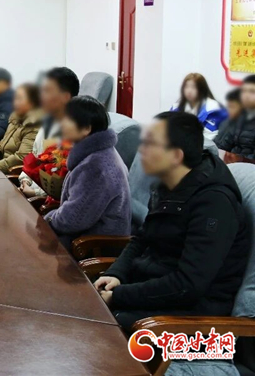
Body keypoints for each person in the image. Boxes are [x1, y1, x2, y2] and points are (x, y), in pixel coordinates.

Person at [95, 112, 251, 331]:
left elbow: (187, 286)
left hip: (191, 318)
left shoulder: (214, 204)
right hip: (155, 293)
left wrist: (119, 296)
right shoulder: (170, 183)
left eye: (150, 144)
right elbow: (142, 238)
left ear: (176, 156)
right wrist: (116, 274)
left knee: (96, 324)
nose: (142, 150)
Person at [43, 96, 131, 248]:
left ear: (86, 128)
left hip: (93, 246)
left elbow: (72, 220)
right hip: (83, 235)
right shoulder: (99, 153)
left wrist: (48, 220)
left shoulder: (96, 166)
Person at [20, 67, 79, 198]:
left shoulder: (77, 130)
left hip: (49, 201)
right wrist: (25, 180)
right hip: (31, 191)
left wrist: (35, 193)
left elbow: (67, 184)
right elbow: (35, 157)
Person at [0, 83, 44, 174]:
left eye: (19, 99)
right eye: (15, 98)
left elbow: (21, 157)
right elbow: (1, 144)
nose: (15, 102)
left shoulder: (34, 126)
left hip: (9, 173)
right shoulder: (15, 118)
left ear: (32, 103)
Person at [170, 72, 227, 139]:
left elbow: (219, 135)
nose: (189, 91)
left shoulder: (214, 109)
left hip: (208, 144)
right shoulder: (176, 107)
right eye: (186, 87)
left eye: (193, 87)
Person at [215, 74, 255, 161]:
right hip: (233, 162)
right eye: (244, 91)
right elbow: (225, 143)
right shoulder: (241, 116)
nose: (246, 95)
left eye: (252, 91)